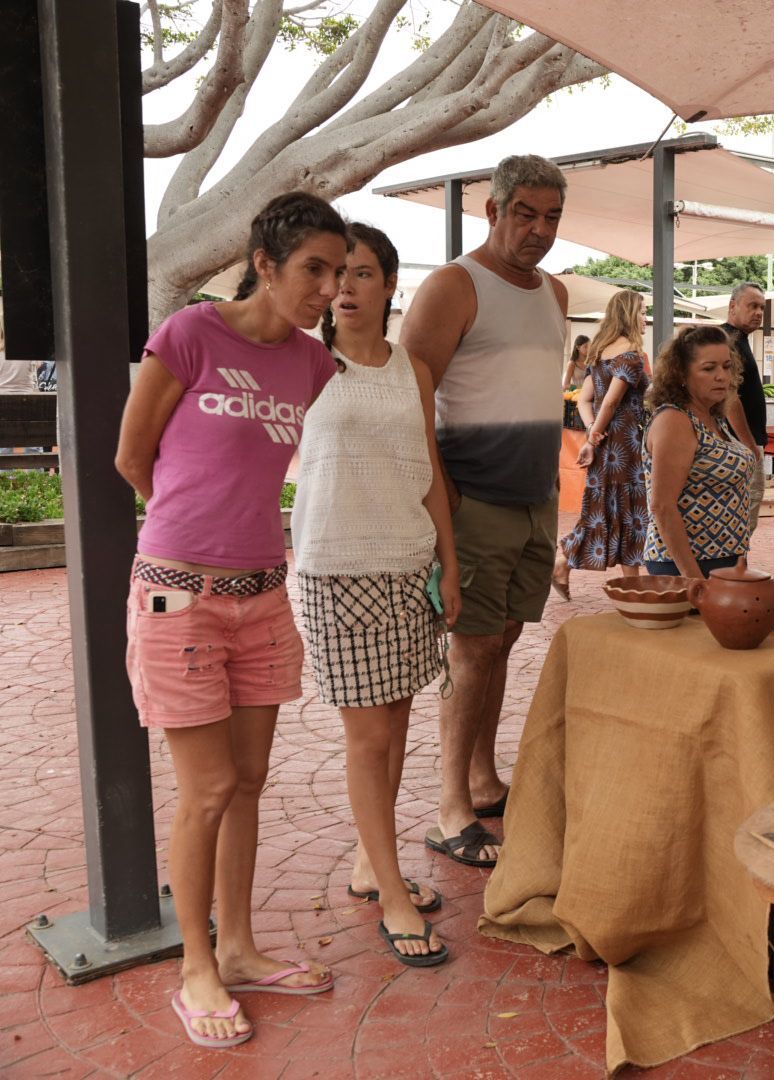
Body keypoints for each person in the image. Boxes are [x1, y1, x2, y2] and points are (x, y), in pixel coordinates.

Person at [114, 193, 347, 1048]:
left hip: (264, 594)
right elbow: (131, 456)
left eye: (339, 271)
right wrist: (190, 536)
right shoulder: (188, 335)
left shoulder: (315, 367)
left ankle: (242, 947)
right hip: (180, 592)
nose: (328, 288)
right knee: (207, 789)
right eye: (313, 269)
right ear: (265, 262)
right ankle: (196, 965)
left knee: (248, 784)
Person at [401, 154, 570, 870]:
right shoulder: (453, 286)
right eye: (525, 213)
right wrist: (447, 503)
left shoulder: (555, 294)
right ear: (493, 211)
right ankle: (449, 810)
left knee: (499, 642)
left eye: (552, 216)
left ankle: (481, 778)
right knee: (470, 651)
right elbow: (408, 398)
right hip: (474, 501)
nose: (538, 230)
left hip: (535, 500)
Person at [294, 222, 457, 968]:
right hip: (336, 568)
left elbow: (429, 470)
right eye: (336, 275)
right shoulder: (303, 363)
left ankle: (369, 861)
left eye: (362, 274)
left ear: (391, 285)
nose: (345, 287)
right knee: (367, 738)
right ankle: (392, 891)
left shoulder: (411, 370)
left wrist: (449, 565)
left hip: (406, 565)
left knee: (393, 729)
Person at [552, 289, 651, 599]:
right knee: (631, 510)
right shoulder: (632, 356)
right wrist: (596, 432)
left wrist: (593, 434)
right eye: (642, 311)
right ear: (629, 314)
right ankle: (632, 587)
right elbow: (609, 403)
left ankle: (563, 562)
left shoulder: (600, 351)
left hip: (607, 444)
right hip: (627, 445)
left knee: (604, 510)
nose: (645, 317)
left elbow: (585, 400)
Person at [642, 325, 755, 578]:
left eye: (727, 366)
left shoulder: (713, 416)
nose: (722, 376)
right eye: (709, 368)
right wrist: (694, 580)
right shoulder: (675, 420)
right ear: (681, 374)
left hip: (722, 562)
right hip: (686, 567)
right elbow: (662, 506)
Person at [721, 283, 768, 533]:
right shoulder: (728, 340)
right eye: (752, 306)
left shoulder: (739, 339)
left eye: (762, 307)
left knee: (743, 513)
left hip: (739, 442)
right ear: (732, 306)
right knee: (742, 513)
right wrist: (750, 445)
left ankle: (736, 566)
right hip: (738, 442)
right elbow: (730, 396)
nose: (759, 312)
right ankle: (734, 568)